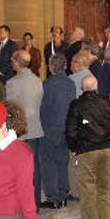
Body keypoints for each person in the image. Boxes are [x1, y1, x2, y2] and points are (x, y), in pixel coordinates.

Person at [66, 75, 110, 219]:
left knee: (88, 188)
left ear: (82, 88)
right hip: (105, 149)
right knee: (104, 187)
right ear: (97, 86)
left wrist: (73, 148)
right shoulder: (106, 101)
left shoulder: (77, 105)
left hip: (86, 150)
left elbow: (71, 130)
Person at [5, 50, 45, 207]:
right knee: (35, 166)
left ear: (16, 63)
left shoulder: (12, 83)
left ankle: (22, 203)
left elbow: (9, 109)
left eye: (12, 60)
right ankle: (35, 202)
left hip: (19, 130)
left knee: (19, 170)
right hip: (35, 129)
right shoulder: (38, 80)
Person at [39, 53, 75, 209]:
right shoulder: (70, 83)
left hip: (50, 128)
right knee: (62, 162)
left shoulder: (48, 84)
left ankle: (53, 197)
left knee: (49, 164)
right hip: (65, 128)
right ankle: (63, 195)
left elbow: (43, 108)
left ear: (51, 67)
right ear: (65, 66)